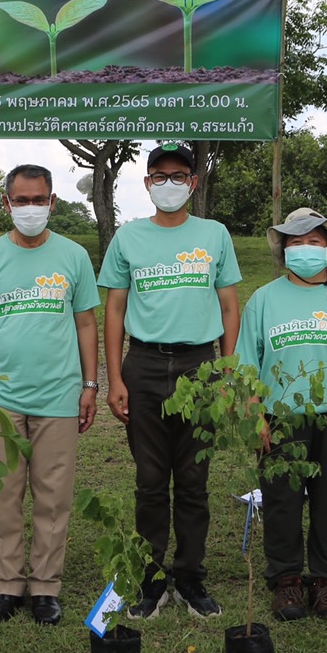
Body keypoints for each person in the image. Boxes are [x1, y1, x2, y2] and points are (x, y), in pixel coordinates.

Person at [99, 140, 240, 618]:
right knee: (150, 480)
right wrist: (115, 377)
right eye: (160, 176)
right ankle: (151, 579)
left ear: (193, 183)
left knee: (195, 480)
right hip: (143, 364)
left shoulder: (214, 235)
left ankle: (190, 576)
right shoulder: (129, 237)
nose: (169, 184)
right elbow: (115, 308)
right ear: (147, 183)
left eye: (179, 176)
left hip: (200, 365)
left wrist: (227, 369)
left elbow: (229, 305)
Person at [0, 164, 100, 626]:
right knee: (3, 494)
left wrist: (89, 385)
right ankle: (7, 585)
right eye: (21, 201)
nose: (30, 208)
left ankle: (45, 587)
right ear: (6, 204)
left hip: (59, 395)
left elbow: (86, 322)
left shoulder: (74, 256)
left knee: (53, 496)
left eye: (38, 200)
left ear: (52, 202)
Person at [237, 207, 327, 621]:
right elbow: (247, 363)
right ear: (283, 249)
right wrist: (255, 416)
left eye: (314, 241)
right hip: (281, 417)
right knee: (281, 501)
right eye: (295, 242)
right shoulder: (264, 299)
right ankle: (285, 581)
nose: (305, 248)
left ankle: (325, 581)